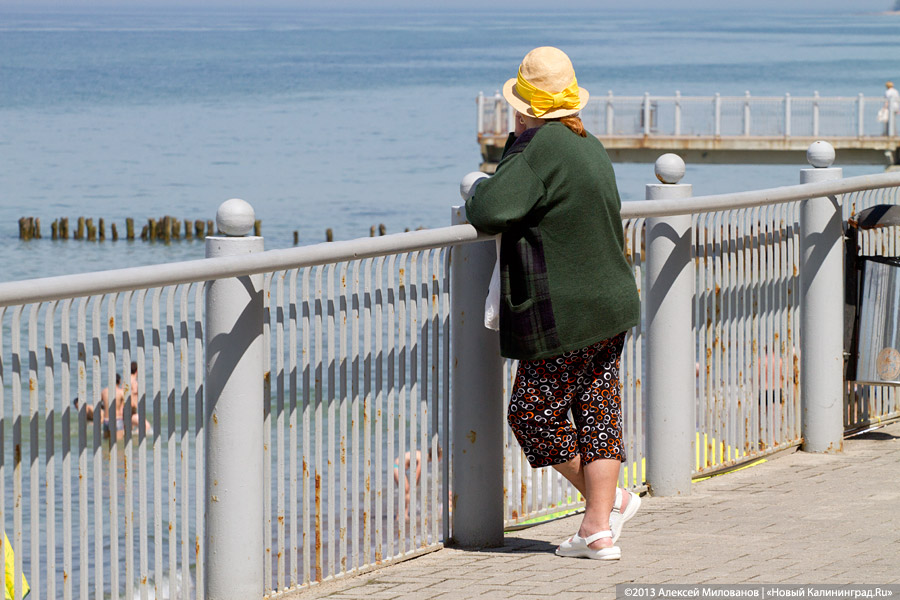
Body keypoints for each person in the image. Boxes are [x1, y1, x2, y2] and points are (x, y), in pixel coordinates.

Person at [465, 46, 642, 560]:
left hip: (568, 310)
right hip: (612, 301)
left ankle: (606, 508)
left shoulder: (539, 149)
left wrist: (485, 180)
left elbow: (493, 207)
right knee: (597, 409)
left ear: (523, 105)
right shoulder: (586, 142)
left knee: (532, 415)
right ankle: (598, 529)